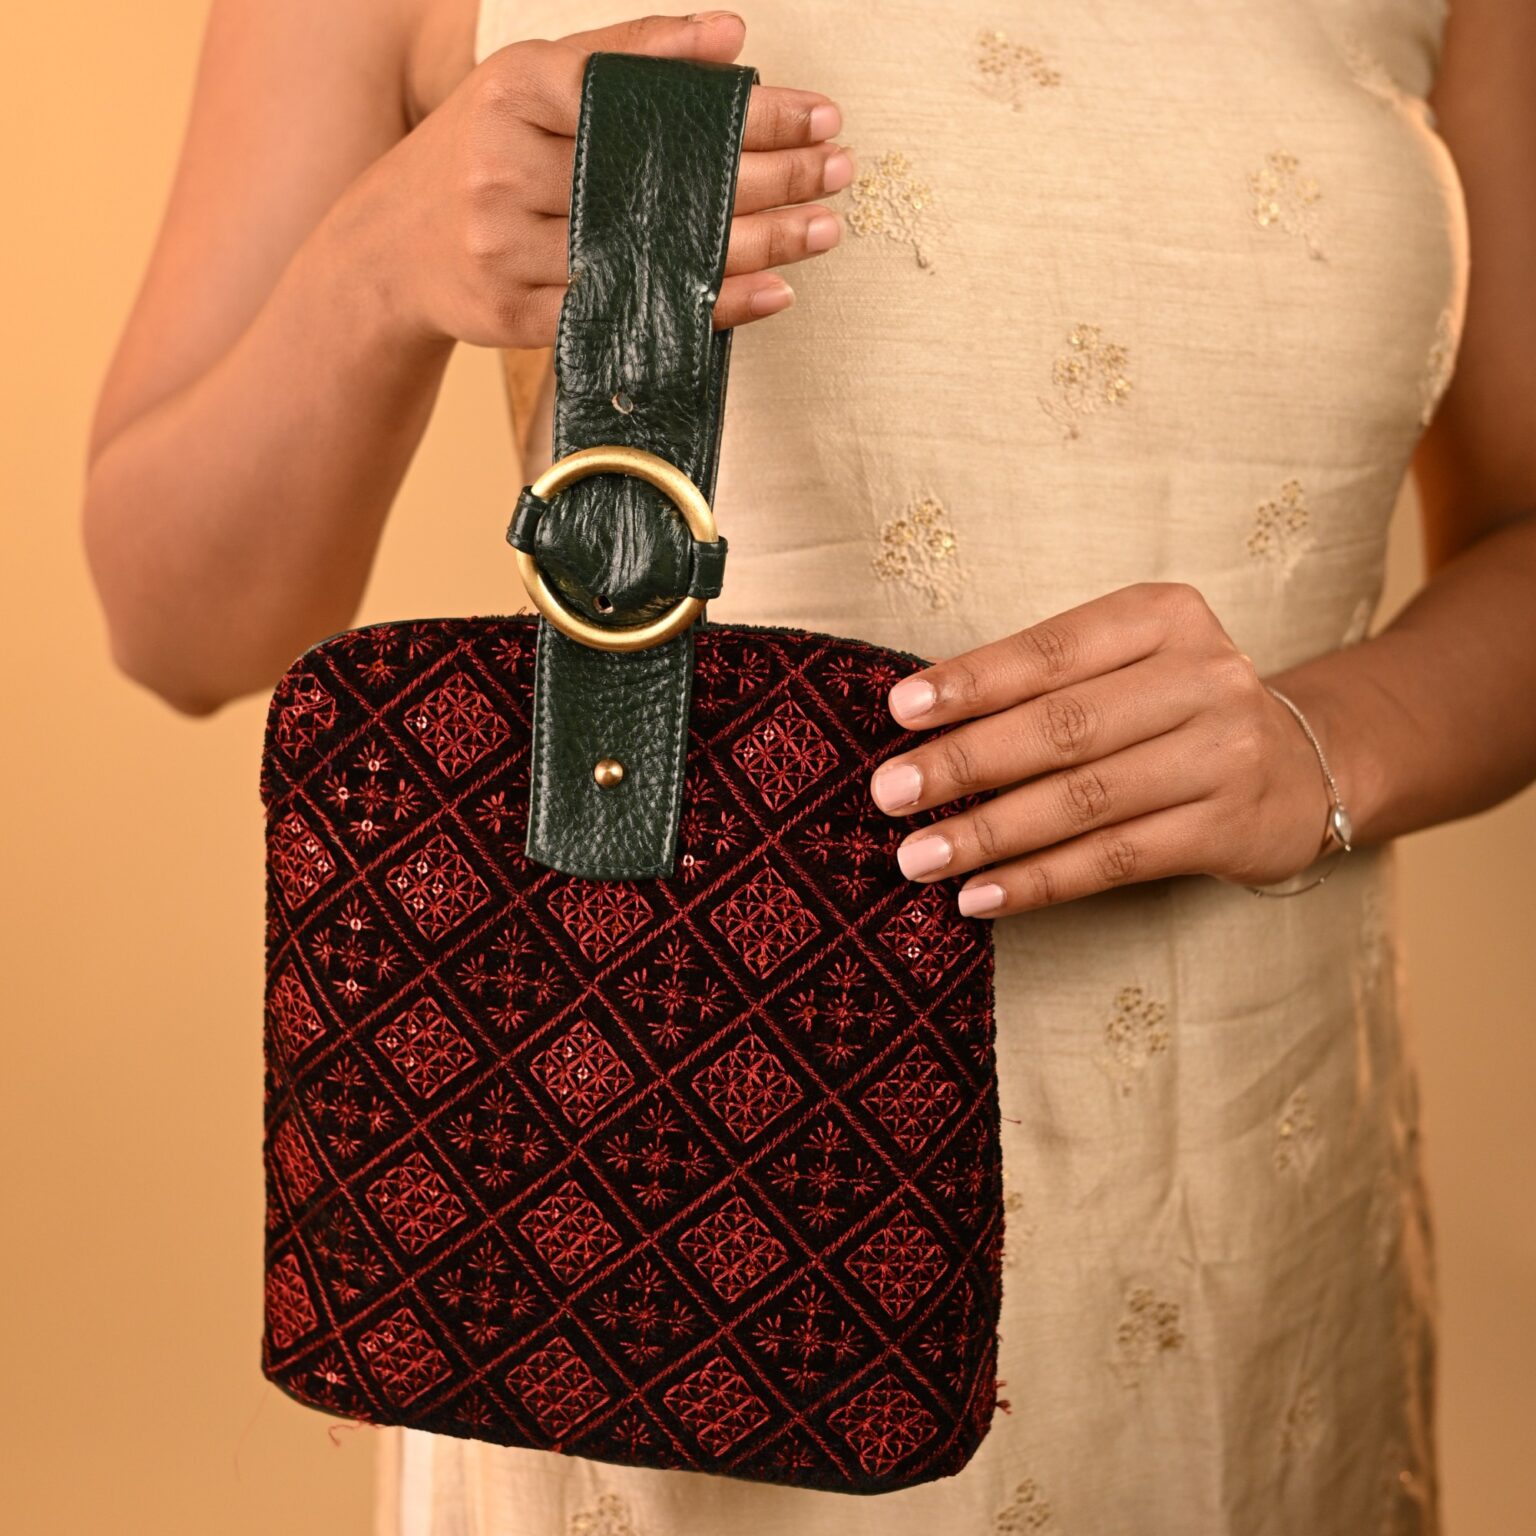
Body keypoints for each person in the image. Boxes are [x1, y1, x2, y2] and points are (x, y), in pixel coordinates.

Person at [82, 2, 1536, 1533]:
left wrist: (1330, 737)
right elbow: (182, 625)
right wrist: (371, 267)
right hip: (662, 1216)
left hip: (1249, 1202)